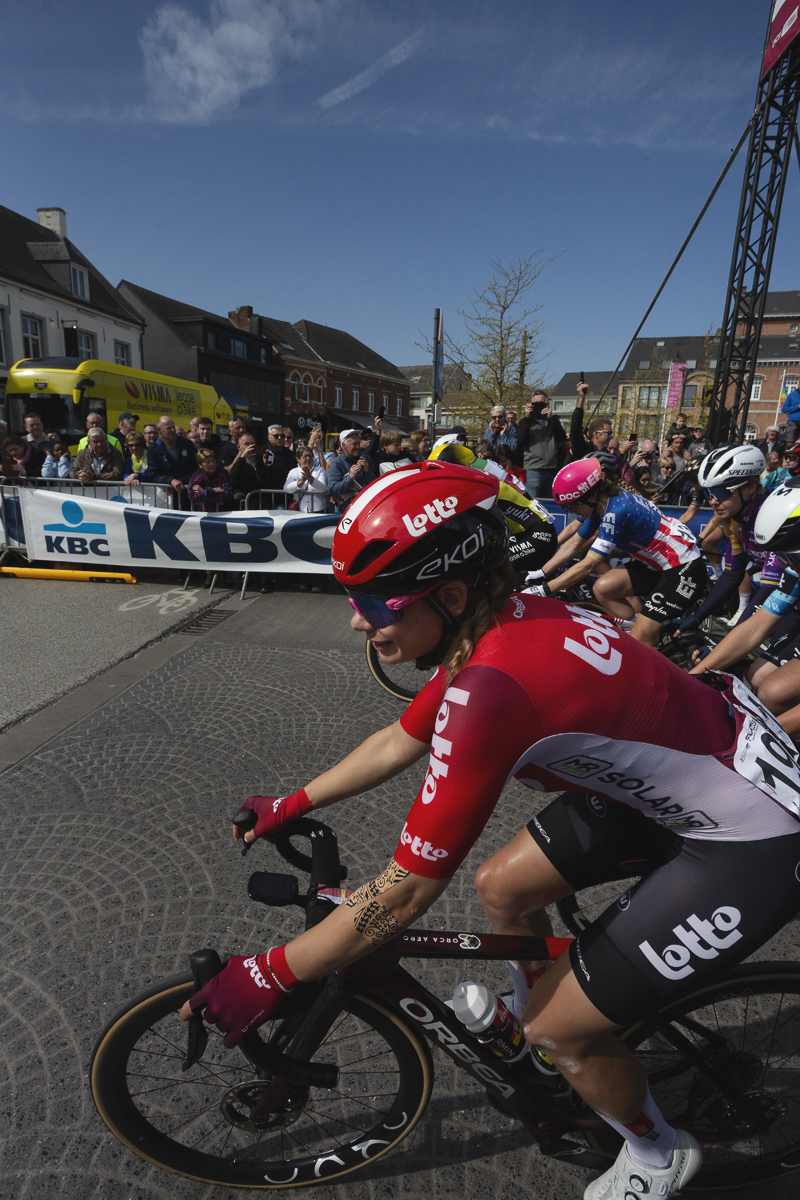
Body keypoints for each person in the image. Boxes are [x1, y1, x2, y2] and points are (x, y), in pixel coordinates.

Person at [184, 460, 800, 1200]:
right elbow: (399, 739)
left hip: (752, 836)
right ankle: (548, 1027)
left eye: (376, 603)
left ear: (447, 595)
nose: (358, 620)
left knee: (560, 1029)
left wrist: (276, 970)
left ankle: (656, 1152)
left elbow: (404, 896)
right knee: (502, 888)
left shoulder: (493, 689)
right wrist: (294, 801)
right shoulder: (503, 618)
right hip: (698, 770)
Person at [536, 456, 706, 644]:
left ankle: (645, 646)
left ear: (591, 496)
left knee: (640, 637)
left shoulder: (616, 512)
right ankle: (638, 631)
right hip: (656, 563)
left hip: (682, 566)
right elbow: (574, 543)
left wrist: (544, 589)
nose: (572, 512)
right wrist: (541, 571)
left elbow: (587, 565)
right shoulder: (602, 503)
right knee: (603, 588)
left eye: (573, 506)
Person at [676, 445, 781, 634]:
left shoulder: (773, 518)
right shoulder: (733, 520)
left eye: (722, 492)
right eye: (709, 493)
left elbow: (769, 589)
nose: (713, 501)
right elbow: (733, 574)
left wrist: (737, 634)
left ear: (750, 487)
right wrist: (697, 616)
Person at [516, 391, 567, 498]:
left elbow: (562, 437)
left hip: (552, 469)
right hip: (534, 469)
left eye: (542, 403)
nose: (539, 405)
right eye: (536, 403)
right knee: (532, 505)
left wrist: (551, 418)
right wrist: (527, 418)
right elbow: (521, 440)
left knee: (549, 505)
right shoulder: (526, 422)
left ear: (548, 404)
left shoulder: (553, 421)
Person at [327, 428, 377, 511]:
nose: (358, 447)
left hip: (368, 508)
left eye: (358, 443)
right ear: (344, 446)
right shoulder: (336, 463)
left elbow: (376, 485)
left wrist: (367, 472)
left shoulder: (366, 459)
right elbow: (333, 490)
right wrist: (350, 478)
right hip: (348, 512)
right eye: (354, 444)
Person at [146, 414, 197, 494]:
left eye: (173, 427)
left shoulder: (187, 444)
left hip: (188, 492)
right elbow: (154, 474)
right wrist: (170, 481)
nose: (173, 430)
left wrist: (179, 482)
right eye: (168, 428)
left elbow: (196, 468)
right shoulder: (154, 448)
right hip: (167, 495)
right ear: (159, 430)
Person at [187, 448, 234, 512]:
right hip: (204, 513)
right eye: (207, 462)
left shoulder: (223, 473)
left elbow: (228, 495)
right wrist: (212, 490)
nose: (212, 464)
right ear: (200, 465)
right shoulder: (197, 476)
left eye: (213, 460)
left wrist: (203, 491)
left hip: (223, 512)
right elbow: (193, 498)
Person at [284, 446, 328, 512]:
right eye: (305, 456)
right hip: (300, 510)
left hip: (318, 510)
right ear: (298, 459)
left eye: (310, 456)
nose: (308, 458)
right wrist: (300, 482)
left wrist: (310, 478)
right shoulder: (293, 471)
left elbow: (322, 488)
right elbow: (286, 489)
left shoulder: (320, 470)